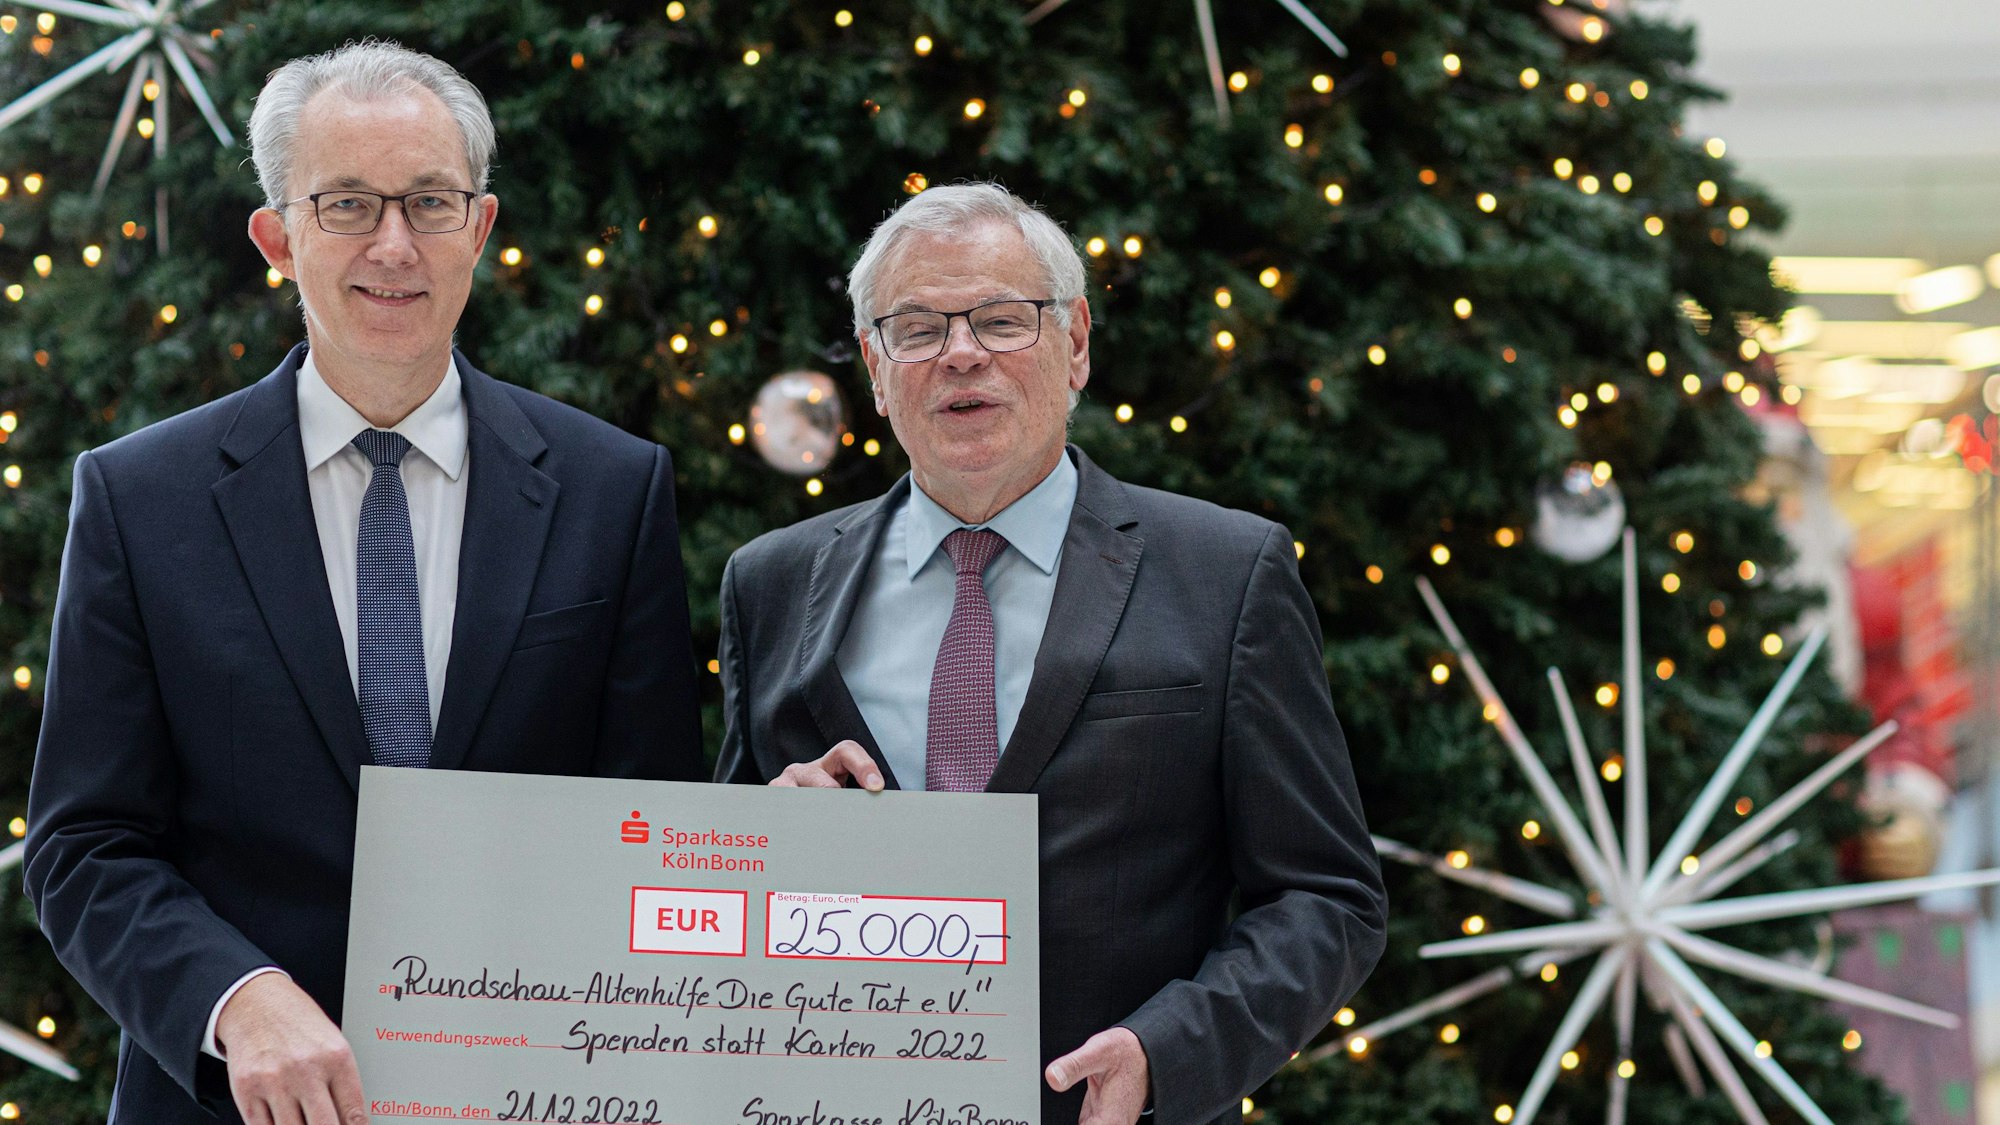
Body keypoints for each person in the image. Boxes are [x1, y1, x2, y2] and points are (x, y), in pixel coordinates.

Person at [23, 41, 703, 1125]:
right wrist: (236, 1000)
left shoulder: (611, 490)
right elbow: (84, 847)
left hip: (529, 1100)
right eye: (346, 204)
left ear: (479, 228)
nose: (394, 244)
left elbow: (645, 823)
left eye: (430, 201)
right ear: (277, 237)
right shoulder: (137, 497)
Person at [714, 183, 1386, 1125]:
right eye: (916, 328)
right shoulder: (770, 583)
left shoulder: (1227, 572)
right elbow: (710, 899)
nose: (960, 353)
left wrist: (1168, 1051)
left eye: (1000, 319)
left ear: (1074, 344)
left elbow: (1327, 896)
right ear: (874, 366)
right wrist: (760, 847)